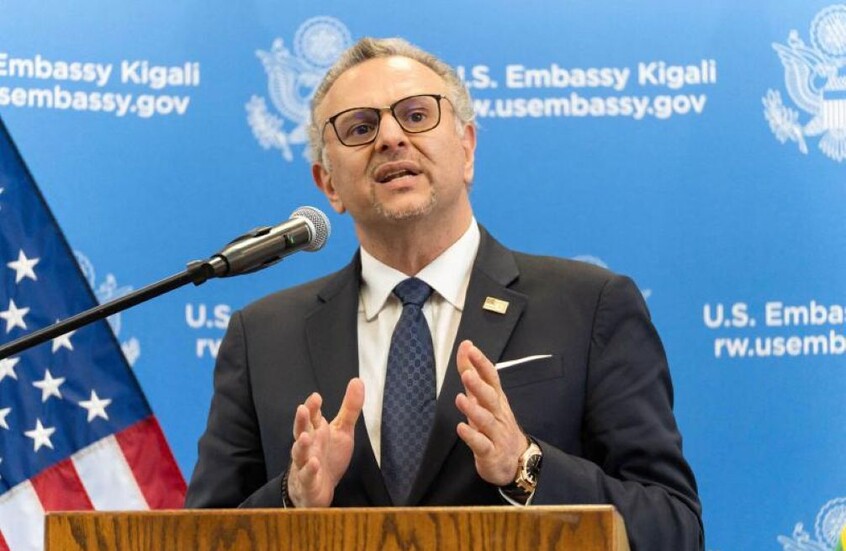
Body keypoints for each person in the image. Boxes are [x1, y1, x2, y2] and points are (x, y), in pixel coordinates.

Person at [185, 37, 704, 550]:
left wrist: (524, 466)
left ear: (467, 148)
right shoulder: (263, 336)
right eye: (360, 128)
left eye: (415, 116)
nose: (390, 138)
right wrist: (290, 501)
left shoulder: (590, 305)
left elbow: (672, 528)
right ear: (329, 185)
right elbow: (198, 538)